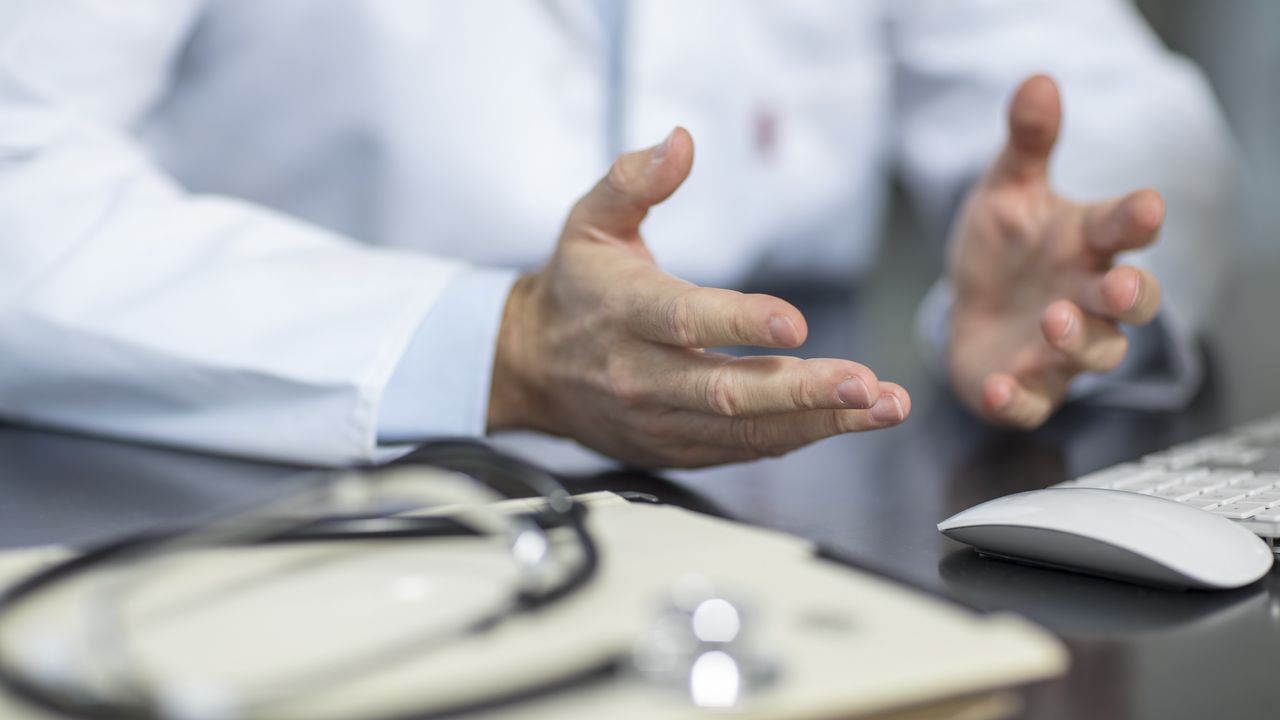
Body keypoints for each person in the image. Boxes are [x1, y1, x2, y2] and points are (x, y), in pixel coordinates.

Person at [0, 1, 1238, 466]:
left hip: (780, 494)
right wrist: (500, 346)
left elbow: (1105, 98)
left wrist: (1075, 282)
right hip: (257, 456)